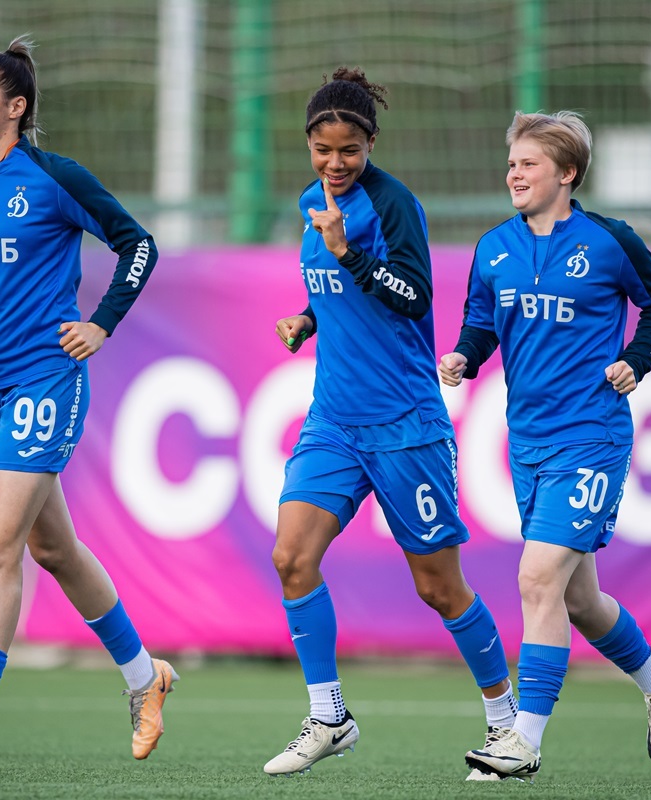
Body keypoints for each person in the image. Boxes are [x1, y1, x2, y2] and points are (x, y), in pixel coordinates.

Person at [0, 36, 176, 765]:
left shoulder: (54, 179)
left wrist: (100, 323)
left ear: (15, 107)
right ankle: (146, 678)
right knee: (53, 547)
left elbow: (137, 245)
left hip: (44, 378)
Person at [263, 67, 516, 778]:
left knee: (438, 586)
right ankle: (328, 717)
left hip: (406, 425)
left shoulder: (393, 204)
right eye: (322, 150)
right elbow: (338, 292)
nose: (335, 164)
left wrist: (349, 250)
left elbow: (410, 297)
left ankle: (505, 727)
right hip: (335, 422)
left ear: (370, 142)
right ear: (308, 146)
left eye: (349, 150)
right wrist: (307, 319)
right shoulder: (313, 202)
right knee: (291, 557)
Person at [438, 110, 651, 782]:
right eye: (512, 161)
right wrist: (465, 355)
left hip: (592, 436)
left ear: (567, 173)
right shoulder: (493, 247)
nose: (513, 173)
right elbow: (482, 323)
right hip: (529, 443)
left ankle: (523, 740)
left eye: (528, 163)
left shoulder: (610, 241)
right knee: (578, 602)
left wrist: (636, 358)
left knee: (536, 578)